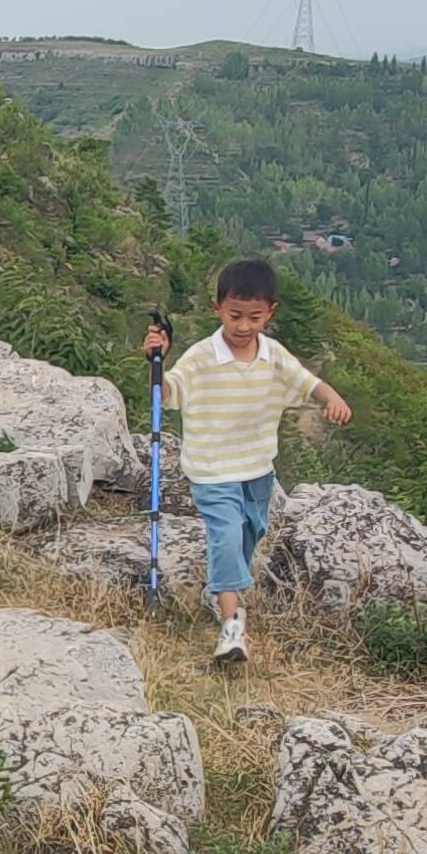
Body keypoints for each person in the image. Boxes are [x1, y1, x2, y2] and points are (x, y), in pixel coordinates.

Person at [147, 259, 354, 665]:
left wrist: (332, 398)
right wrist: (157, 361)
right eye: (234, 315)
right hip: (212, 471)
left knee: (248, 537)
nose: (243, 326)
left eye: (254, 317)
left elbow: (306, 382)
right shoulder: (201, 357)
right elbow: (168, 395)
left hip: (258, 471)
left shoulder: (273, 356)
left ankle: (222, 589)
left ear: (270, 313)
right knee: (225, 536)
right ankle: (232, 628)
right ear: (217, 309)